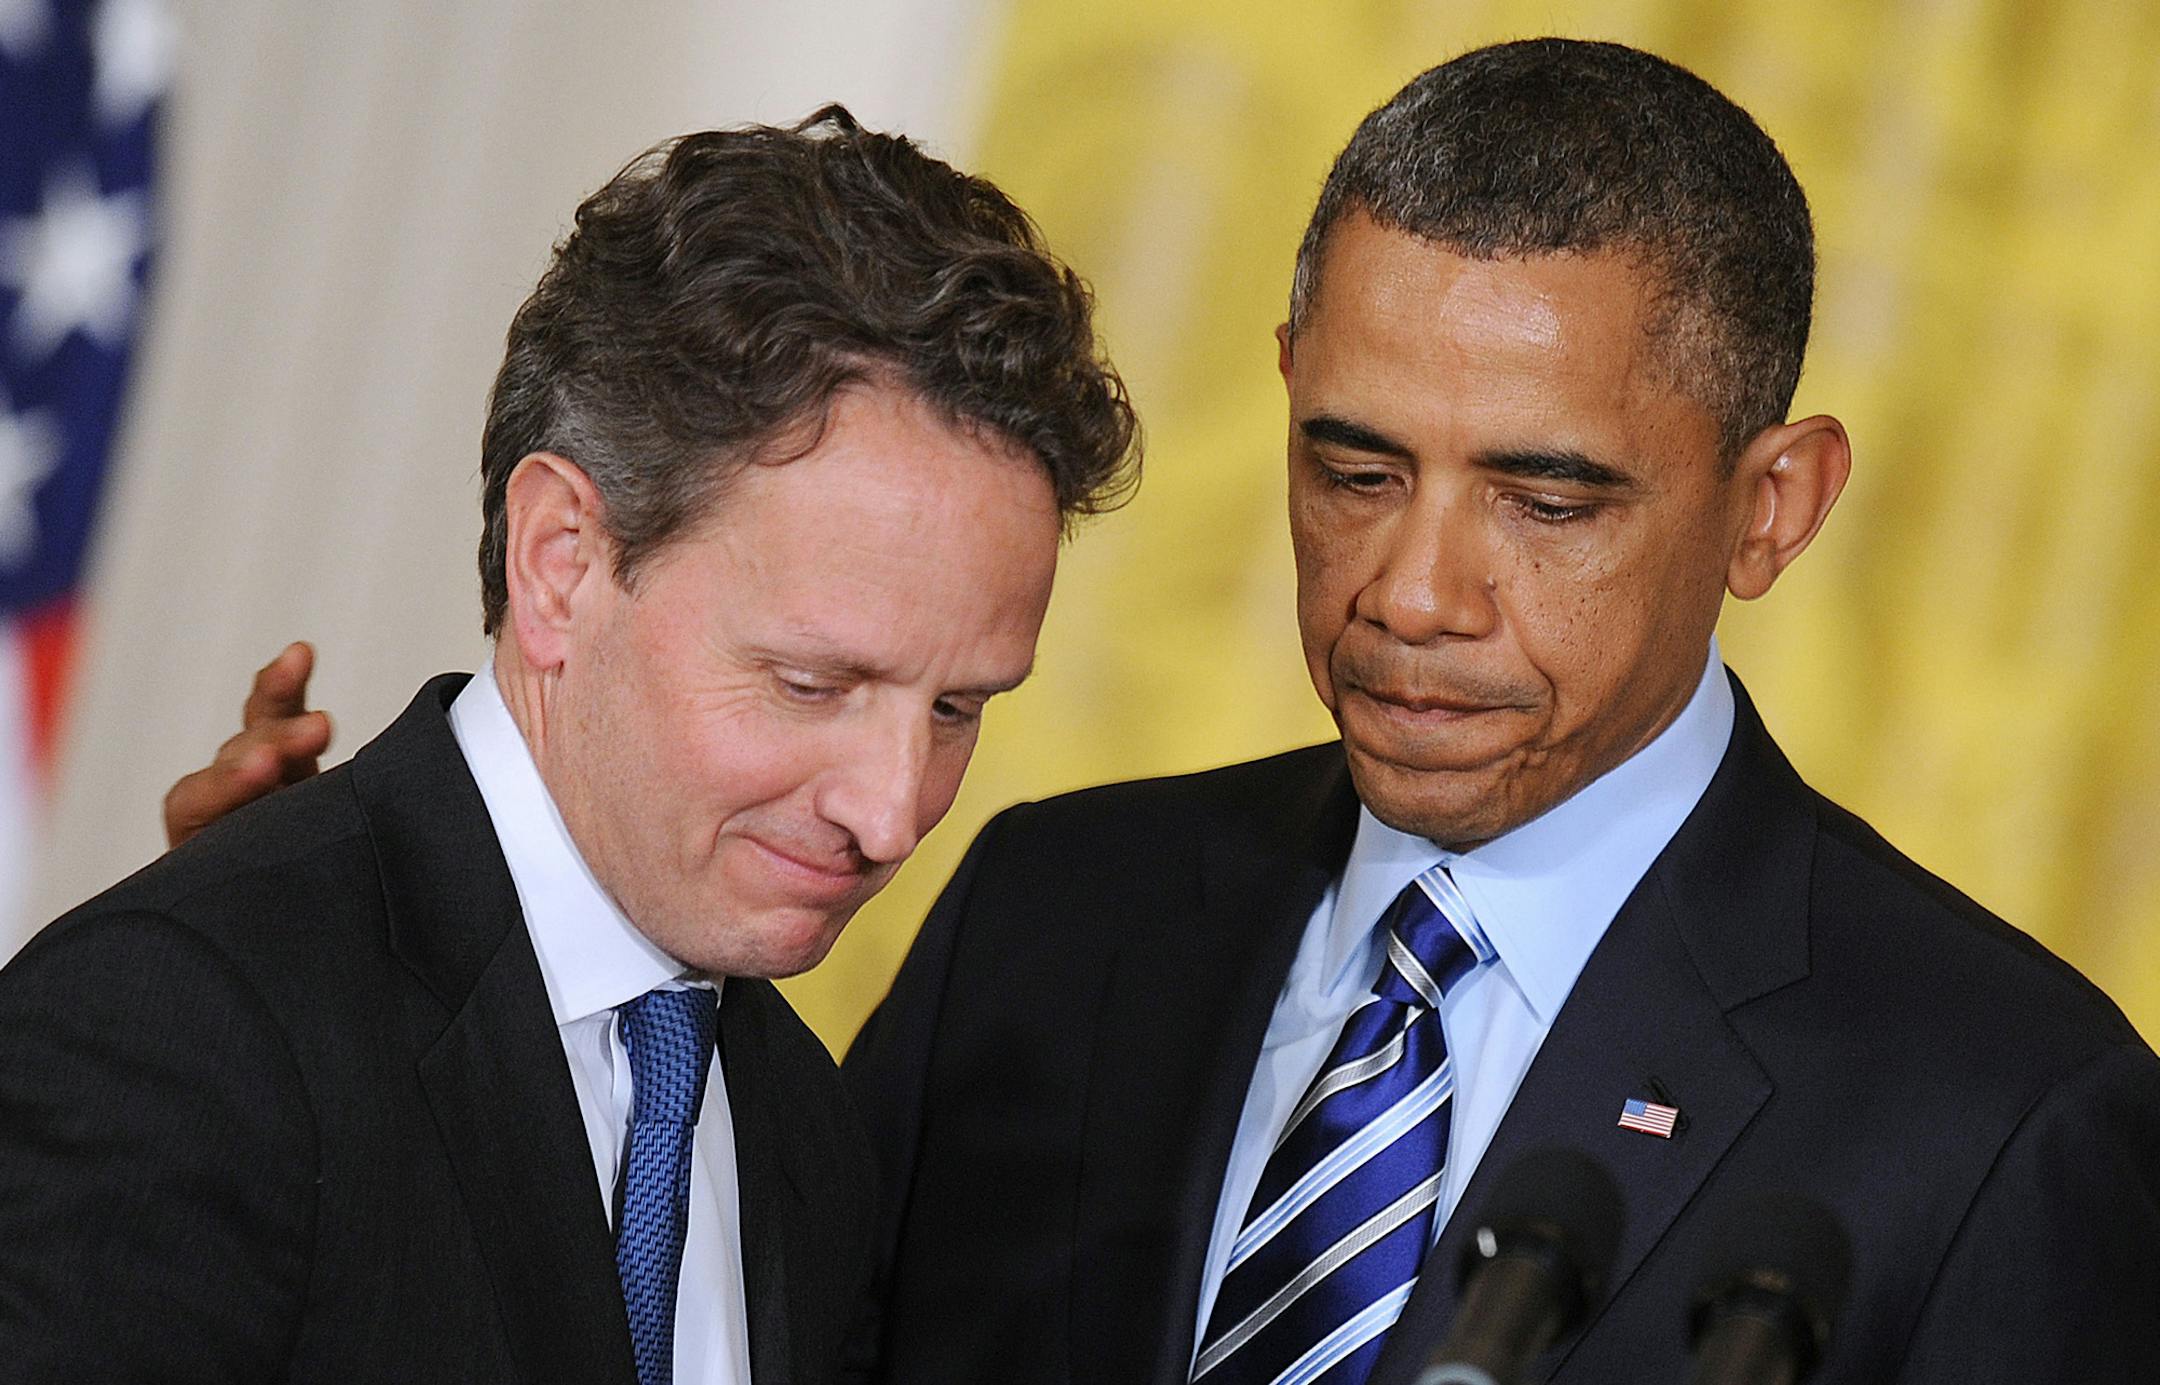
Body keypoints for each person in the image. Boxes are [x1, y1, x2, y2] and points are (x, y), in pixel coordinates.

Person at [148, 39, 2160, 1385]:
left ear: (1773, 504)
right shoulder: (1060, 909)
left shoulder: (1995, 1120)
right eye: (1354, 464)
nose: (1412, 588)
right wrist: (375, 999)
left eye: (1546, 495)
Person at [0, 107, 1136, 1385]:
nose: (891, 813)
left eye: (955, 710)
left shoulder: (806, 1136)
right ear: (563, 563)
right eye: (815, 681)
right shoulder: (190, 1031)